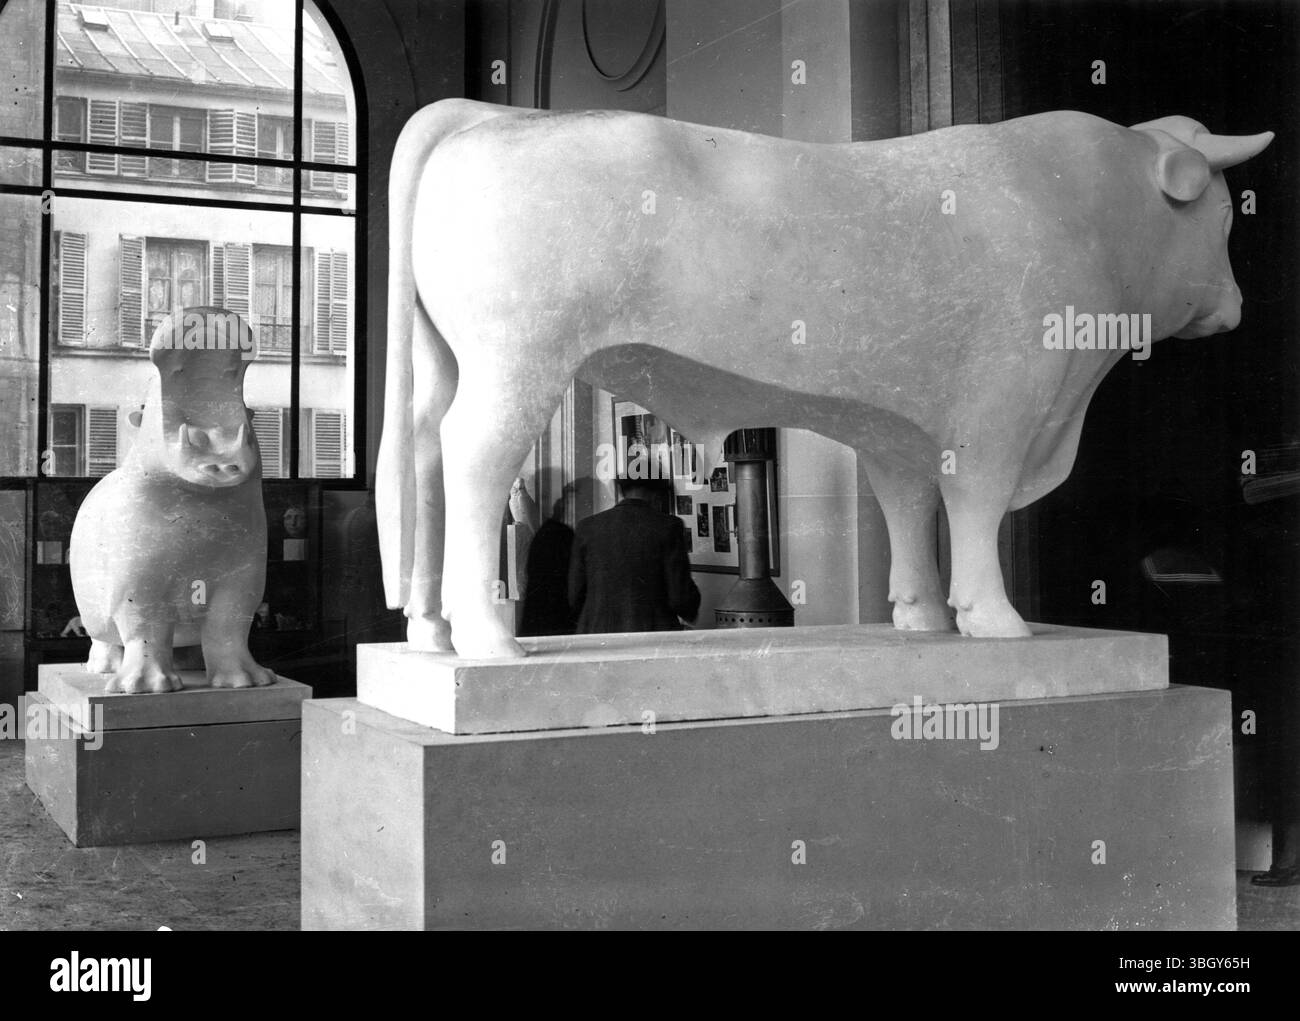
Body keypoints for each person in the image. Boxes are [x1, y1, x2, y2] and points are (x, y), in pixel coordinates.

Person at [568, 478, 700, 635]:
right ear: (657, 492)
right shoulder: (669, 526)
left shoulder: (587, 527)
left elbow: (574, 595)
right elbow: (680, 597)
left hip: (597, 634)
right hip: (652, 634)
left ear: (622, 489)